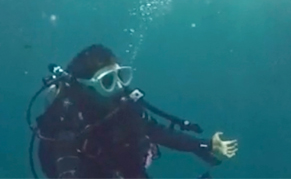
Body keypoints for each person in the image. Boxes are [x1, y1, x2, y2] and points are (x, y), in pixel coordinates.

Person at [30, 44, 238, 178]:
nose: (119, 87)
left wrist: (206, 144)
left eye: (121, 76)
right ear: (86, 86)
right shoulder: (68, 117)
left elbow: (156, 132)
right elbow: (66, 163)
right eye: (108, 81)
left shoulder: (122, 105)